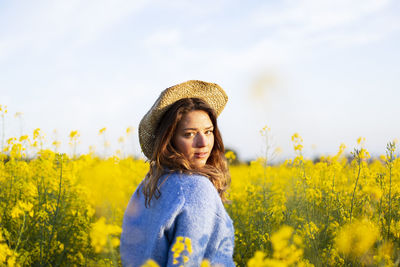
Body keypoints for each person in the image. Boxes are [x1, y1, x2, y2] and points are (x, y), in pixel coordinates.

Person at [120, 80, 235, 267]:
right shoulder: (197, 188)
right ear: (169, 140)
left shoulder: (149, 184)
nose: (203, 142)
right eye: (189, 134)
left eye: (208, 131)